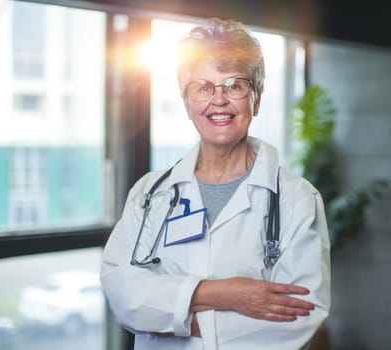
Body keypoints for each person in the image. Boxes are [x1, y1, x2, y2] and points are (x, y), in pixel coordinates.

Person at [100, 17, 330, 350]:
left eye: (235, 85)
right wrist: (229, 293)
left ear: (257, 98)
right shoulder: (151, 193)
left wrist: (168, 319)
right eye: (203, 87)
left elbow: (301, 315)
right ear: (186, 101)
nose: (218, 100)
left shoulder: (297, 199)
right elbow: (124, 295)